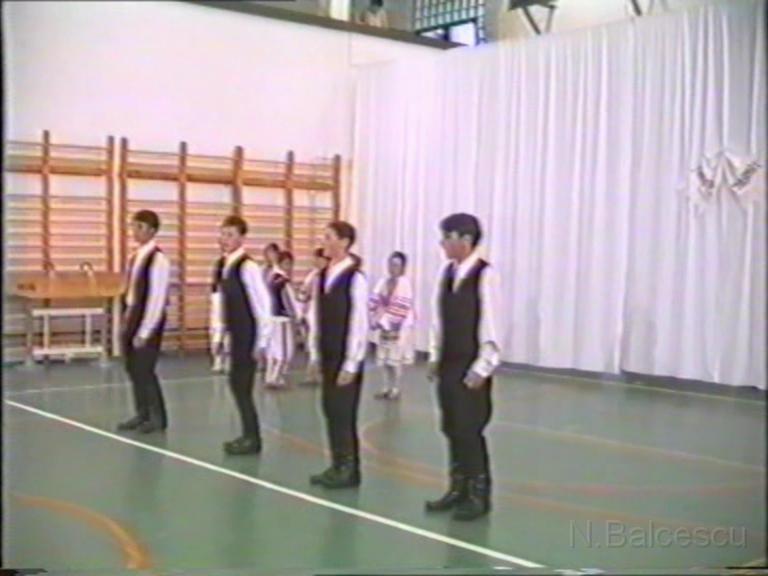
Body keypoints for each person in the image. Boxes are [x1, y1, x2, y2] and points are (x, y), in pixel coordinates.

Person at [425, 213, 501, 521]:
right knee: (451, 427)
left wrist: (483, 366)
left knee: (470, 429)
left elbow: (491, 323)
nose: (442, 243)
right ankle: (457, 487)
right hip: (449, 364)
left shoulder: (485, 275)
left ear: (466, 240)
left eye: (447, 237)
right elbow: (438, 318)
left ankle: (479, 495)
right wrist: (434, 354)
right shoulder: (447, 272)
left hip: (471, 366)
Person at [307, 221, 369, 489]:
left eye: (329, 237)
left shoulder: (355, 278)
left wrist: (351, 363)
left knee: (344, 412)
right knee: (330, 409)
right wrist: (314, 354)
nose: (324, 241)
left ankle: (350, 469)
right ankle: (336, 464)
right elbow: (315, 317)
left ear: (344, 242)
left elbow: (359, 322)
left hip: (345, 356)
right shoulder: (321, 276)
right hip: (327, 353)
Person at [216, 215, 274, 455]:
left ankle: (253, 438)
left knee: (242, 385)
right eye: (223, 234)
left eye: (230, 235)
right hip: (235, 333)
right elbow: (222, 303)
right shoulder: (223, 264)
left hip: (248, 334)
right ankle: (248, 434)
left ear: (241, 238)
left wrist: (262, 341)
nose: (224, 239)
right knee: (236, 384)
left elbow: (262, 304)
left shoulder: (247, 266)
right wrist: (219, 335)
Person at [117, 210, 171, 434]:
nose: (135, 231)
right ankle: (142, 413)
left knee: (145, 369)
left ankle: (158, 418)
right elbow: (132, 292)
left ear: (152, 230)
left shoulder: (158, 260)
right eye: (134, 226)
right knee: (133, 368)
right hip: (133, 315)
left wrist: (145, 330)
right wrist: (126, 319)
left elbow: (157, 298)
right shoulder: (136, 256)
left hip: (148, 320)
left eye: (140, 227)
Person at [369, 251, 415, 400]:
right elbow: (373, 300)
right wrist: (375, 319)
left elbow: (402, 307)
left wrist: (392, 324)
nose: (392, 268)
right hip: (384, 324)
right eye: (390, 264)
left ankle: (395, 388)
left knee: (394, 360)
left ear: (403, 268)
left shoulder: (405, 284)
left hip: (399, 327)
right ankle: (385, 387)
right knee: (383, 359)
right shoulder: (383, 281)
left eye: (396, 265)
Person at [265, 250, 300, 389]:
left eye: (290, 264)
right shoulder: (284, 281)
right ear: (280, 263)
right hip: (282, 319)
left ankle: (270, 376)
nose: (289, 267)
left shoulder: (271, 277)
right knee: (285, 351)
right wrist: (298, 316)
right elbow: (291, 301)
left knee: (273, 350)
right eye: (287, 263)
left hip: (272, 318)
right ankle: (276, 378)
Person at [297, 248, 329, 385]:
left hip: (329, 316)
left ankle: (321, 372)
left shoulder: (332, 275)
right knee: (312, 343)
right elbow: (302, 294)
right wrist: (301, 312)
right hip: (314, 314)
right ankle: (312, 373)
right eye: (315, 259)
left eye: (319, 259)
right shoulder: (313, 276)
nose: (316, 261)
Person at [210, 251, 230, 374]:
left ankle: (226, 361)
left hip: (227, 316)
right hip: (218, 317)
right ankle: (218, 360)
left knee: (227, 337)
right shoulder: (216, 292)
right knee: (217, 336)